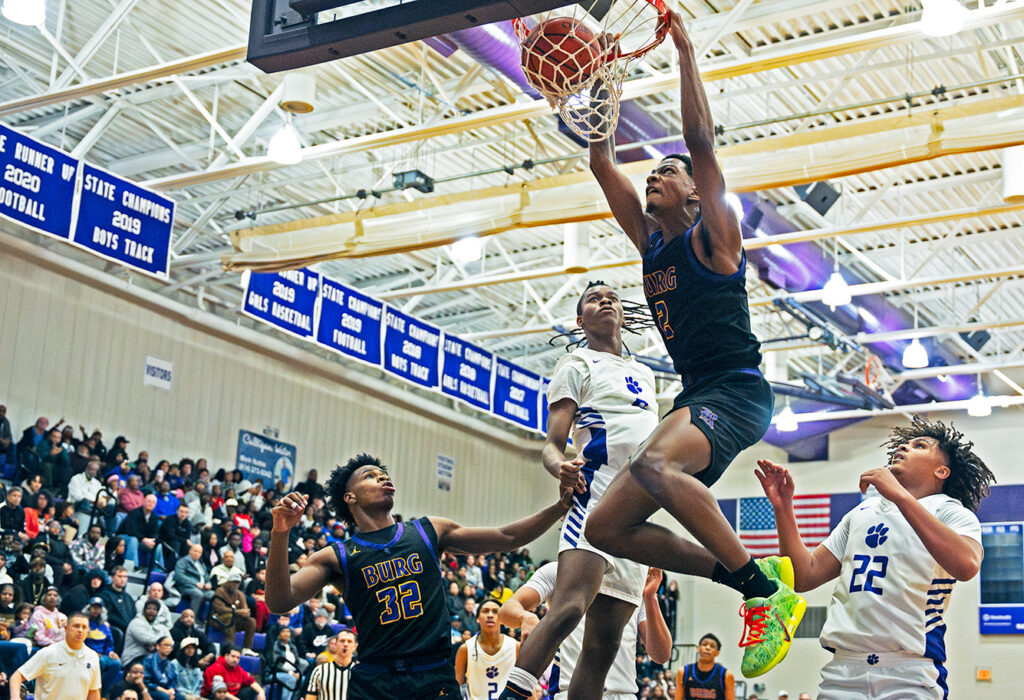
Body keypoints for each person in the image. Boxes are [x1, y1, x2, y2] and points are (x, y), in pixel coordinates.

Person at [583, 9, 802, 679]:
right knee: (605, 529)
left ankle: (765, 590)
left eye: (668, 173)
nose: (657, 175)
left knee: (652, 468)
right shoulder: (651, 243)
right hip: (697, 394)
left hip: (738, 392)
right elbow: (599, 156)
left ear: (693, 195)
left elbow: (702, 141)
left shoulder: (717, 238)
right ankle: (746, 579)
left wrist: (683, 51)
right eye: (653, 173)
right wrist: (600, 80)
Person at [266, 454, 570, 699]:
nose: (382, 476)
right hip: (375, 680)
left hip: (434, 675)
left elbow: (507, 536)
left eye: (383, 473)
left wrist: (561, 506)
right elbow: (280, 601)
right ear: (349, 497)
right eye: (370, 475)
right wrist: (280, 533)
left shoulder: (427, 531)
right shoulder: (336, 556)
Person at [755, 417, 995, 699]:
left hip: (909, 670)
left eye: (920, 445)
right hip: (843, 669)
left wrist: (899, 496)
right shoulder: (861, 513)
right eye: (904, 443)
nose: (905, 446)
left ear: (942, 471)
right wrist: (783, 507)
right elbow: (803, 576)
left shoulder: (951, 512)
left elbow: (967, 565)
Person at [498, 282, 660, 699]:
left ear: (623, 315)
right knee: (568, 608)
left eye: (612, 298)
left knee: (603, 647)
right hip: (595, 495)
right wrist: (561, 468)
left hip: (638, 512)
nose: (605, 301)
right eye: (594, 299)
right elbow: (552, 443)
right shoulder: (576, 364)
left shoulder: (645, 372)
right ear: (580, 320)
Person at [500, 563, 670, 700]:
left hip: (624, 693)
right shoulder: (558, 570)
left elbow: (661, 654)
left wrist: (650, 597)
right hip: (568, 691)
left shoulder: (633, 580)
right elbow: (507, 610)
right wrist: (526, 617)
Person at [9, 610, 101, 699]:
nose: (80, 630)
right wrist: (15, 697)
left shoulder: (92, 657)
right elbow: (17, 676)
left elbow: (93, 691)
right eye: (76, 626)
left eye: (84, 627)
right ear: (66, 628)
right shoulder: (49, 653)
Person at [456, 599, 518, 700]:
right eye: (485, 611)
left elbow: (527, 686)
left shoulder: (515, 646)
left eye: (495, 612)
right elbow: (456, 685)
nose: (490, 615)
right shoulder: (465, 649)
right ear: (477, 619)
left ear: (503, 618)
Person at [675, 633, 734, 700]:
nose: (707, 648)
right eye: (704, 644)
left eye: (712, 646)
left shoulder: (726, 675)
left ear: (717, 653)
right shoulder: (683, 672)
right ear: (698, 649)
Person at [306, 628, 357, 699]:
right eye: (342, 641)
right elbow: (311, 697)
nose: (345, 644)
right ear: (335, 644)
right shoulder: (320, 671)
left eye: (349, 641)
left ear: (355, 646)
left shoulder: (360, 673)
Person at [201, 643, 266, 700]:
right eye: (233, 656)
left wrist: (261, 692)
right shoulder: (215, 668)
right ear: (226, 655)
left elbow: (250, 681)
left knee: (251, 690)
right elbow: (217, 691)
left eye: (238, 657)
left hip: (233, 695)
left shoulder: (238, 669)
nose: (235, 660)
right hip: (216, 696)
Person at [212, 570, 256, 651]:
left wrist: (246, 613)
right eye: (233, 582)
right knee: (230, 617)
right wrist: (238, 611)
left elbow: (245, 609)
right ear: (228, 582)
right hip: (218, 619)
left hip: (235, 618)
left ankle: (247, 649)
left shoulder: (240, 594)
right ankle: (230, 648)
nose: (235, 585)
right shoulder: (220, 591)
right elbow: (220, 609)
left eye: (237, 583)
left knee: (251, 621)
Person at [123, 598, 172, 667]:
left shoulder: (161, 627)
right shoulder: (136, 622)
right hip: (133, 658)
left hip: (152, 659)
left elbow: (171, 642)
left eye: (154, 609)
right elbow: (145, 638)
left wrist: (155, 646)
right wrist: (161, 642)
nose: (151, 611)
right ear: (144, 610)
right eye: (149, 608)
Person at [175, 541, 215, 612]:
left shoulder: (201, 564)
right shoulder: (183, 561)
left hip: (202, 588)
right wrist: (194, 583)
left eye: (199, 552)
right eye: (195, 551)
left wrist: (209, 584)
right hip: (187, 587)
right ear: (190, 551)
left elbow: (207, 578)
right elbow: (179, 576)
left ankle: (206, 620)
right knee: (198, 594)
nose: (197, 553)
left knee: (214, 595)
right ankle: (193, 617)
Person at [143, 635, 179, 700]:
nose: (168, 648)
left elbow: (173, 681)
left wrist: (171, 690)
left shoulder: (170, 664)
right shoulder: (149, 660)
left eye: (170, 646)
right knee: (164, 697)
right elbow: (147, 682)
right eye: (166, 645)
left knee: (180, 697)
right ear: (158, 646)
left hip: (167, 691)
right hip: (152, 690)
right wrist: (165, 691)